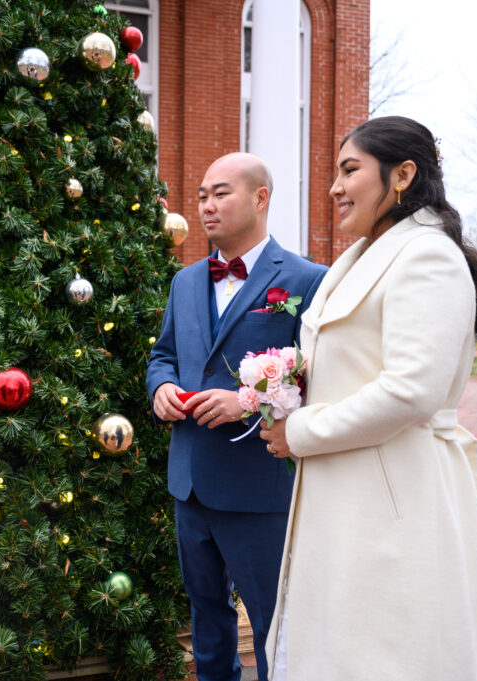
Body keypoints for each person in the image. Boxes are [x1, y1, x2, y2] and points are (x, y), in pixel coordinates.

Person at [259, 117, 477, 680]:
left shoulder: (427, 255)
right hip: (344, 494)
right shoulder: (360, 257)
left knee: (390, 654)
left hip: (394, 498)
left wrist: (298, 431)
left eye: (349, 170)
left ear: (402, 175)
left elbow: (411, 391)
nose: (335, 187)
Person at [146, 153, 327, 681]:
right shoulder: (185, 282)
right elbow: (163, 355)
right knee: (206, 619)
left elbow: (319, 374)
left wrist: (245, 401)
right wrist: (161, 388)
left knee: (273, 623)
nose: (206, 205)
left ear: (260, 198)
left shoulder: (308, 279)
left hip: (259, 486)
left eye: (220, 193)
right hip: (190, 483)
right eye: (202, 195)